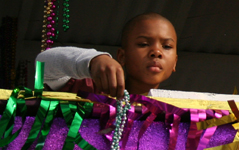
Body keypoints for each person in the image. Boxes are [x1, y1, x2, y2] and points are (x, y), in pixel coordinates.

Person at [36, 12, 178, 97]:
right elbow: (42, 65)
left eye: (166, 46)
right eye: (143, 44)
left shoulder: (180, 111)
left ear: (175, 62)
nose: (157, 52)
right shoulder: (90, 90)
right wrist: (92, 61)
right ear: (122, 56)